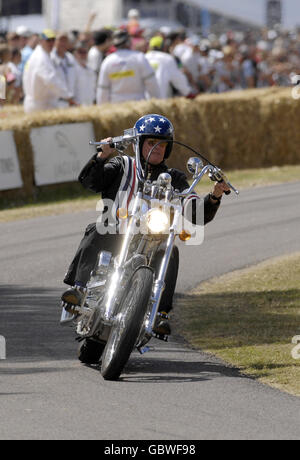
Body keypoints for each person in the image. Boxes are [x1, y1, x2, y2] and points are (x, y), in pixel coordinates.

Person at [61, 114, 230, 335]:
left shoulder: (175, 178)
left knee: (171, 252)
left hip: (152, 239)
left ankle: (161, 314)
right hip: (116, 231)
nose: (157, 148)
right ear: (139, 143)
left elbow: (195, 215)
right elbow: (90, 181)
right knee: (96, 229)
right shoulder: (122, 165)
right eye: (151, 142)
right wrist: (102, 156)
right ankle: (79, 289)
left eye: (163, 144)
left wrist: (215, 195)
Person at [96, 29, 160, 104]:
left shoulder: (108, 61)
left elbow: (103, 89)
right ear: (129, 41)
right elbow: (151, 83)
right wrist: (157, 102)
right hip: (138, 104)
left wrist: (103, 109)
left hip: (116, 106)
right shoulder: (139, 57)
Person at [23, 29, 76, 113]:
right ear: (41, 41)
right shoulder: (41, 58)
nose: (51, 43)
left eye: (53, 40)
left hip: (41, 103)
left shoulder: (43, 55)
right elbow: (51, 80)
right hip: (39, 105)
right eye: (48, 40)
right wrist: (68, 96)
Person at [73, 41, 97, 105]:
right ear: (75, 53)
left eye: (85, 52)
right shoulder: (71, 70)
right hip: (76, 106)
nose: (83, 55)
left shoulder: (91, 70)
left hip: (90, 105)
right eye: (80, 52)